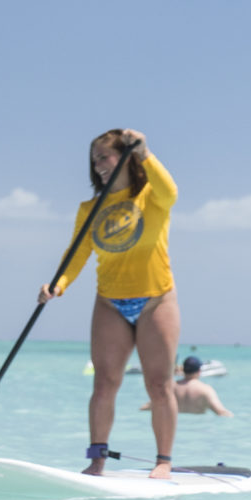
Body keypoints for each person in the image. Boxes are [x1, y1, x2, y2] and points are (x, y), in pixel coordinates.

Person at [42, 129, 182, 478]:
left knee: (158, 384)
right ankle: (96, 460)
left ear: (126, 157)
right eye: (94, 160)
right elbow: (76, 254)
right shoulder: (90, 209)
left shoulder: (152, 197)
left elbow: (171, 191)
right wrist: (57, 285)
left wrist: (146, 151)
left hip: (156, 299)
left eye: (105, 156)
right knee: (104, 383)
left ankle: (163, 461)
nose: (99, 165)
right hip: (109, 303)